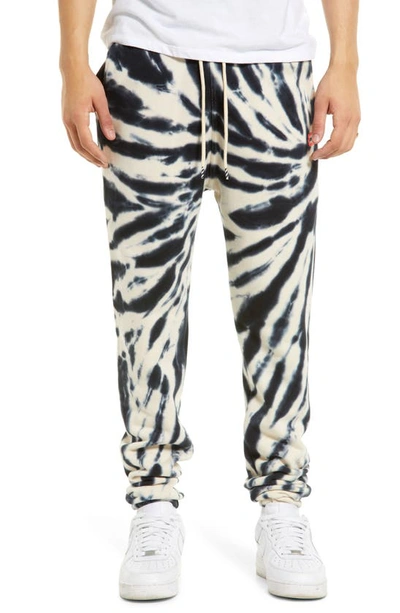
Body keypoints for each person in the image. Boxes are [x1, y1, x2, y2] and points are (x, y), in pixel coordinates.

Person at [58, 0, 360, 602]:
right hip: (147, 68)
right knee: (144, 306)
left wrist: (345, 61)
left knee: (278, 305)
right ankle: (153, 501)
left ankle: (281, 503)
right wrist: (72, 61)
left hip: (274, 75)